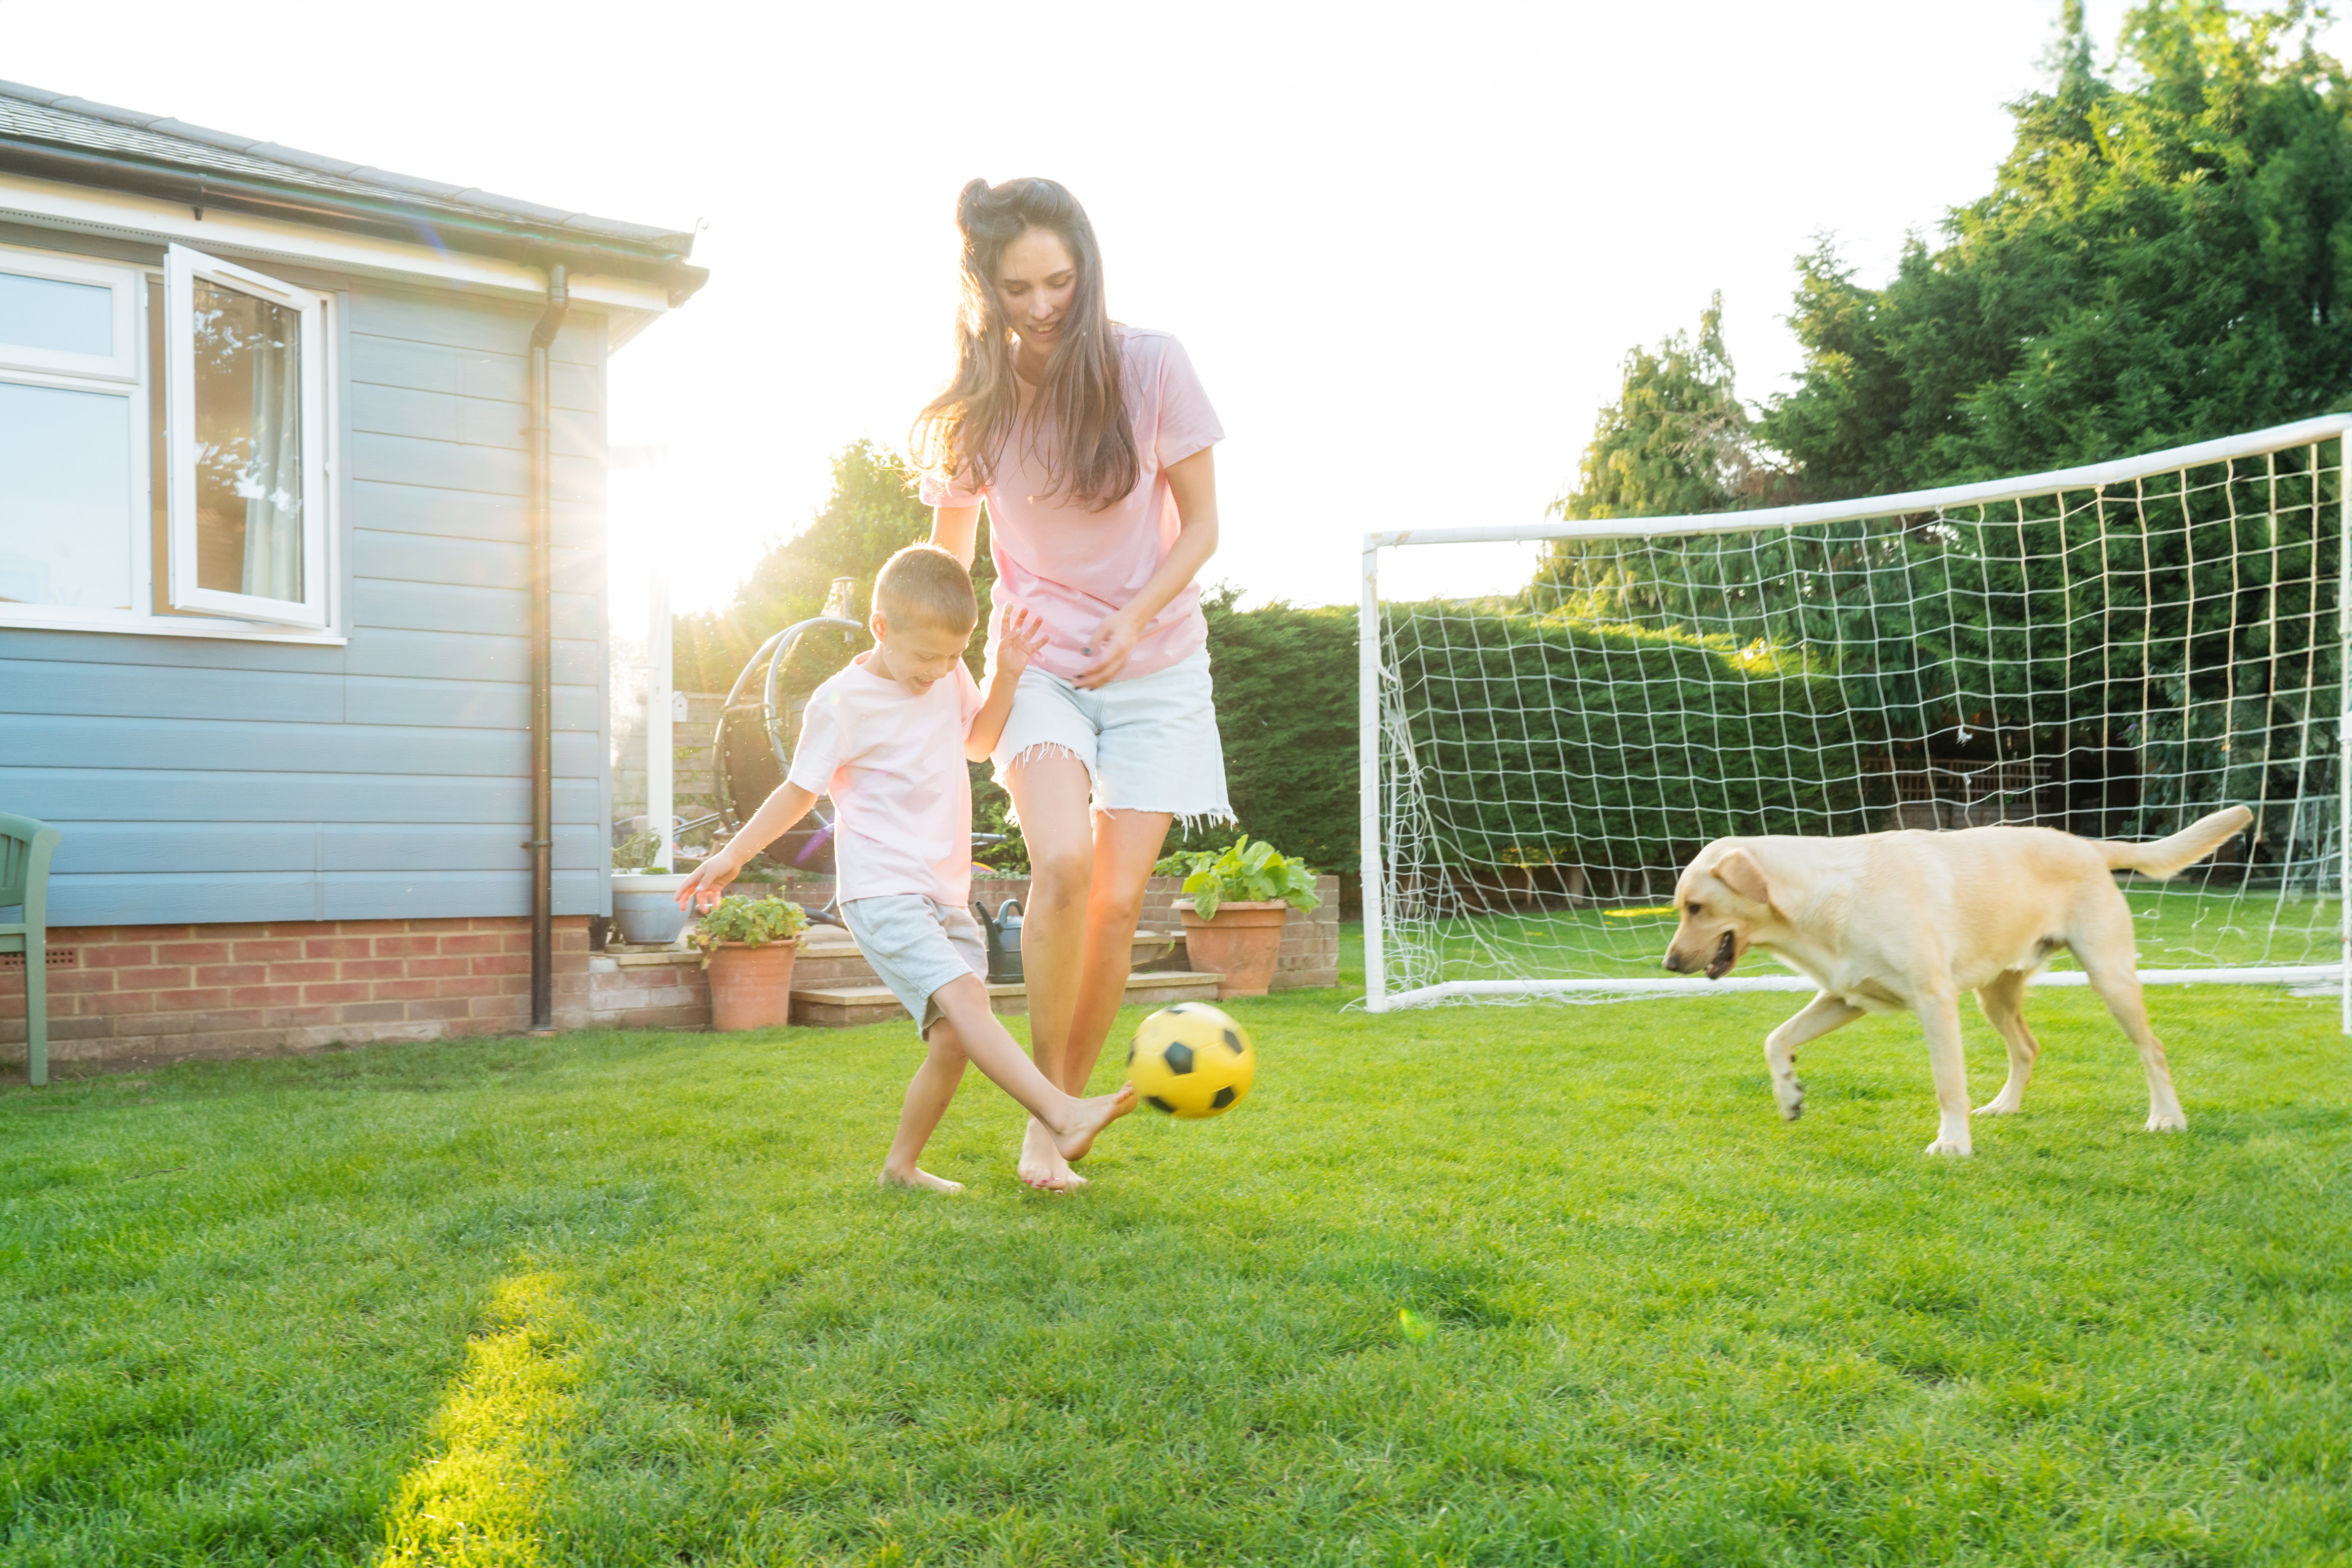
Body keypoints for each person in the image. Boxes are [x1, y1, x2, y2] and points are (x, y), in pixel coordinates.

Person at [912, 177, 1230, 1192]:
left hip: (1160, 663)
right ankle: (1049, 1117)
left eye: (1060, 280)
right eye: (1019, 288)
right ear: (985, 287)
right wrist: (934, 669)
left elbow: (1207, 528)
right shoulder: (979, 409)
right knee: (1059, 865)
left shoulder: (1150, 365)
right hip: (1043, 664)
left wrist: (1134, 620)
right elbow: (946, 565)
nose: (1045, 304)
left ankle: (1056, 1115)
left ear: (1086, 271)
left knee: (1117, 897)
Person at [673, 544, 1135, 1192]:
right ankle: (1059, 1111)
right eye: (926, 656)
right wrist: (730, 857)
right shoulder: (840, 703)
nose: (938, 670)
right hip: (882, 889)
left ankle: (901, 1167)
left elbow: (976, 744)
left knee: (953, 1040)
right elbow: (797, 793)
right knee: (970, 1000)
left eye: (951, 657)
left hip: (943, 889)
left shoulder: (948, 678)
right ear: (881, 628)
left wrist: (1002, 674)